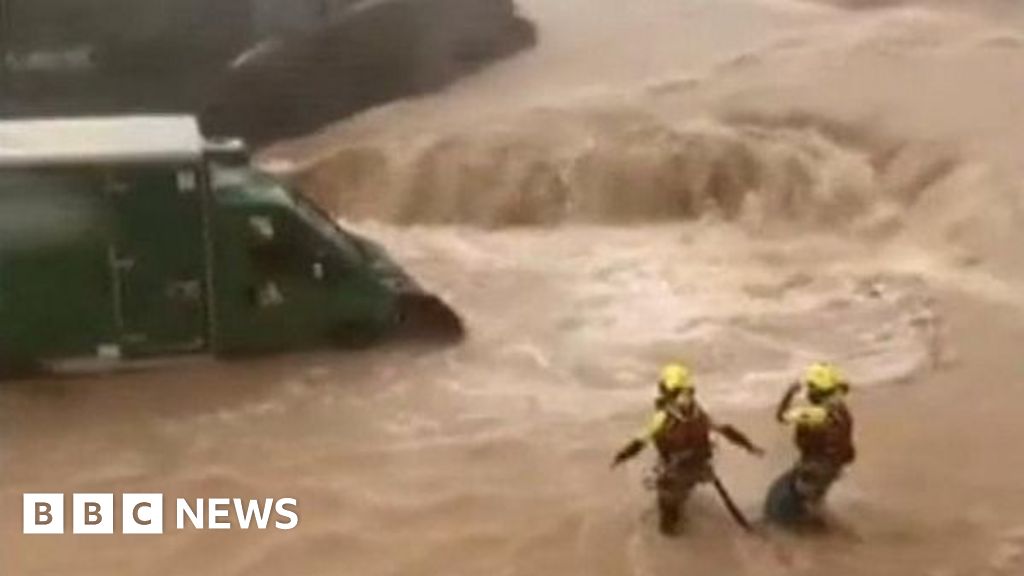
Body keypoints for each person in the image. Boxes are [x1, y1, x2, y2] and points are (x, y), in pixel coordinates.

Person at [612, 363, 764, 535]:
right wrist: (750, 447)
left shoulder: (663, 417)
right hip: (701, 468)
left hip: (675, 471)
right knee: (684, 491)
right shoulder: (700, 413)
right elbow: (727, 430)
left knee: (668, 516)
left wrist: (620, 457)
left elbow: (640, 442)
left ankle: (672, 538)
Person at [774, 362, 855, 516]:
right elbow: (844, 388)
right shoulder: (841, 409)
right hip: (835, 465)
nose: (808, 393)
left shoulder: (815, 415)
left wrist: (789, 393)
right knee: (817, 496)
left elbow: (781, 416)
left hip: (816, 468)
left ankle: (815, 526)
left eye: (811, 388)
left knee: (806, 502)